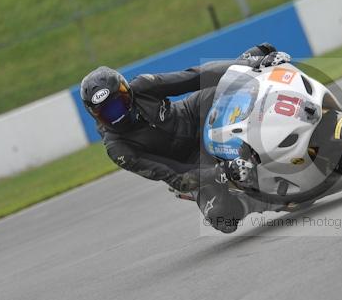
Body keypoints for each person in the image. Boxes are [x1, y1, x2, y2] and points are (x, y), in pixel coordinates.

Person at [79, 43, 290, 233]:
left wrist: (249, 63)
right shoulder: (118, 149)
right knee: (223, 219)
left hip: (193, 113)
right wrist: (221, 172)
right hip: (189, 161)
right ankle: (265, 202)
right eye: (109, 112)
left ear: (127, 90)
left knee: (239, 81)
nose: (119, 113)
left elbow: (194, 76)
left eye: (121, 101)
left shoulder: (143, 86)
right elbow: (174, 176)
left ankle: (284, 108)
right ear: (95, 115)